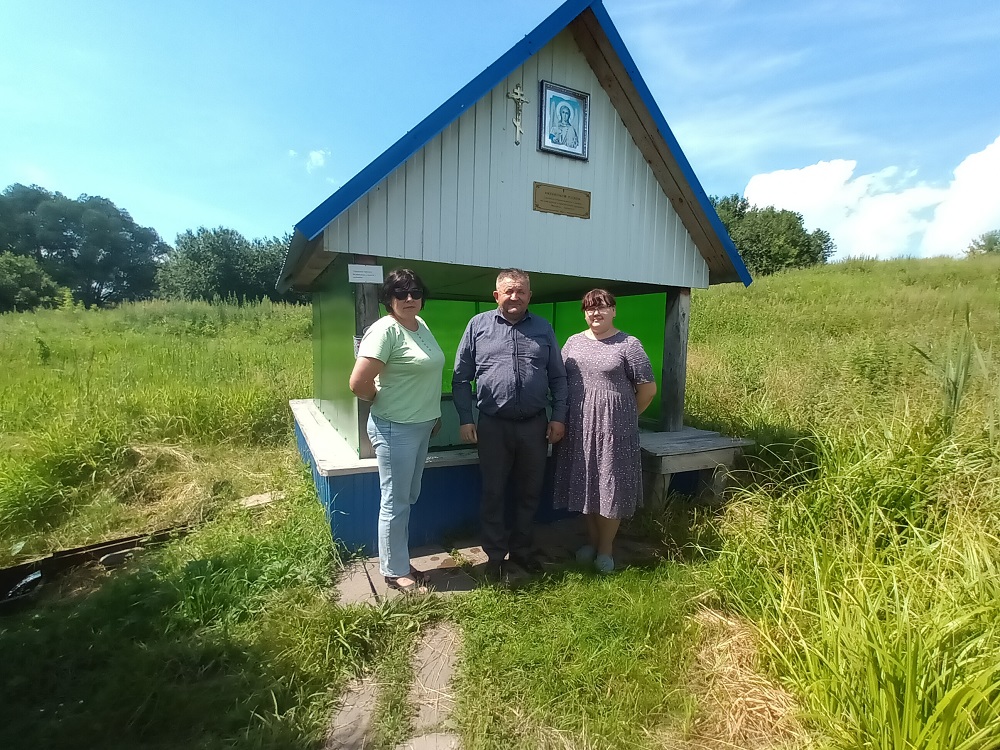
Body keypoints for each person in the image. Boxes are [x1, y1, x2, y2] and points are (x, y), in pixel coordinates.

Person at [452, 268, 568, 581]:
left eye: (521, 291)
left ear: (530, 295)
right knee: (493, 492)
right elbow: (461, 377)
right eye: (508, 291)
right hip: (493, 425)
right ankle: (493, 556)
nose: (514, 297)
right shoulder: (478, 326)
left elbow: (558, 377)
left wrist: (558, 417)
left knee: (529, 492)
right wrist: (465, 419)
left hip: (534, 426)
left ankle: (522, 551)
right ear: (496, 295)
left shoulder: (543, 328)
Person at [349, 269, 445, 595]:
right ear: (388, 298)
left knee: (408, 496)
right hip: (394, 427)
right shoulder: (384, 331)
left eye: (415, 292)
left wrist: (433, 415)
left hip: (420, 425)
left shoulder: (421, 325)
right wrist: (383, 400)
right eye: (401, 293)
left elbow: (425, 375)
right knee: (396, 502)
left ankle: (399, 560)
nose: (409, 299)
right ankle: (394, 571)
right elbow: (358, 383)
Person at [552, 289, 657, 574]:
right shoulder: (573, 343)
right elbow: (560, 381)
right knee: (586, 485)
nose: (595, 313)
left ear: (614, 310)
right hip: (579, 429)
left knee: (610, 486)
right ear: (584, 312)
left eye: (602, 307)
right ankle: (594, 542)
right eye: (589, 308)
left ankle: (606, 550)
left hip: (615, 432)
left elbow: (648, 390)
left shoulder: (629, 345)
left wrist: (626, 417)